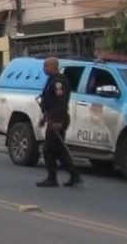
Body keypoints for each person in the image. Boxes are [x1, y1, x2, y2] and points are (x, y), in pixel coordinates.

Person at [37, 57, 82, 188]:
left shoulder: (59, 82)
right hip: (52, 118)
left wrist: (57, 121)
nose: (44, 69)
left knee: (48, 149)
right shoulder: (51, 80)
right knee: (60, 149)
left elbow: (60, 104)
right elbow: (49, 102)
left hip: (57, 119)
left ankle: (52, 178)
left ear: (53, 67)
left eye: (46, 66)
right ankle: (74, 175)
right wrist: (44, 118)